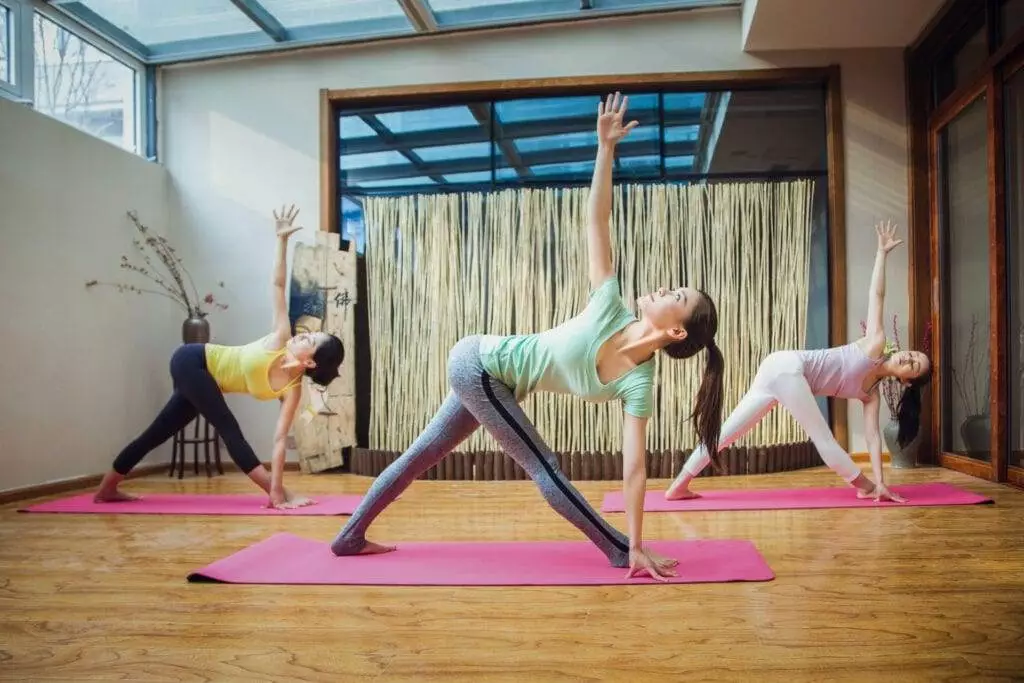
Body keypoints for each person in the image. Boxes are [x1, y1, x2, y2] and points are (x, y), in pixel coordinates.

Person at [330, 93, 725, 581]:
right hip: (479, 364)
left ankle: (349, 536)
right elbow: (595, 221)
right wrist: (605, 150)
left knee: (425, 452)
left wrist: (643, 538)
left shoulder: (638, 384)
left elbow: (635, 469)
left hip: (494, 381)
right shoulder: (609, 305)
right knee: (546, 466)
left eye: (678, 294)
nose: (666, 286)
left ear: (676, 329)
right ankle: (617, 552)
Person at [94, 205, 344, 510]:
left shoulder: (291, 391)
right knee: (229, 428)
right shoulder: (280, 336)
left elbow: (279, 441)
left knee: (157, 433)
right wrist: (281, 241)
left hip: (205, 378)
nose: (302, 334)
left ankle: (107, 489)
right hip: (193, 360)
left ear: (311, 363)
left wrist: (280, 485)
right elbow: (277, 285)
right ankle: (277, 495)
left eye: (310, 340)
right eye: (307, 332)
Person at [665, 220, 932, 503]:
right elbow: (876, 295)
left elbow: (873, 438)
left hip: (778, 372)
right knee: (824, 440)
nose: (908, 357)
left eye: (913, 365)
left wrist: (883, 480)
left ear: (905, 381)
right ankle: (864, 486)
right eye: (913, 354)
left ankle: (678, 486)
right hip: (788, 367)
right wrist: (881, 253)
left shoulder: (871, 396)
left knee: (729, 432)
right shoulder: (875, 342)